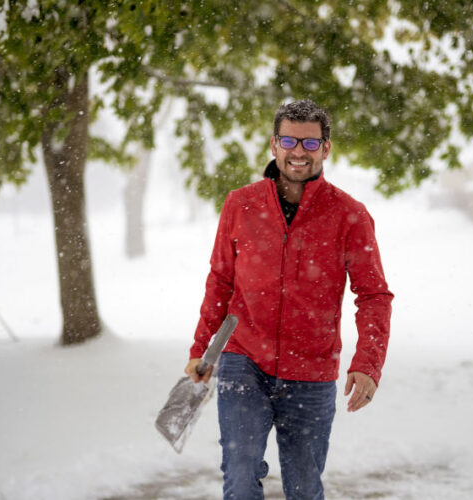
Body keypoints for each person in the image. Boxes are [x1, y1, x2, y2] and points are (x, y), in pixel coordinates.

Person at [185, 99, 393, 499]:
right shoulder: (240, 204)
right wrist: (202, 348)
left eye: (310, 143)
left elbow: (373, 295)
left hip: (311, 373)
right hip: (244, 361)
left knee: (303, 488)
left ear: (326, 148)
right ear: (273, 145)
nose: (299, 152)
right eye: (289, 141)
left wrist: (368, 363)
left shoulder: (350, 214)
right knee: (240, 475)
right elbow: (221, 281)